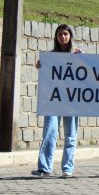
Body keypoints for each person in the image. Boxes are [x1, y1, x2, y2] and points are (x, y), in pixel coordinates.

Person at [32, 24, 81, 178]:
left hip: (72, 101)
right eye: (60, 34)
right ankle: (45, 167)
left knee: (70, 134)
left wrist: (81, 59)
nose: (63, 37)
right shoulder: (50, 56)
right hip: (53, 101)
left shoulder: (78, 54)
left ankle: (67, 168)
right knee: (50, 132)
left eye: (65, 34)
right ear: (56, 37)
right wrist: (41, 66)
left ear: (70, 36)